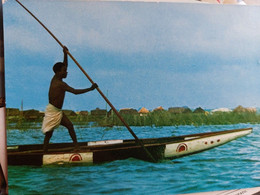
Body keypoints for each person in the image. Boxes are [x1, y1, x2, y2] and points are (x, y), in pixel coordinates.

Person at [42, 46, 98, 152]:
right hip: (52, 111)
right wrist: (90, 89)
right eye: (64, 71)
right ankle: (44, 152)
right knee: (49, 133)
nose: (66, 72)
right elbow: (75, 92)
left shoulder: (57, 77)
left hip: (57, 111)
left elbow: (64, 65)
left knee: (69, 126)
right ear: (58, 72)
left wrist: (65, 54)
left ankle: (76, 147)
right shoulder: (59, 84)